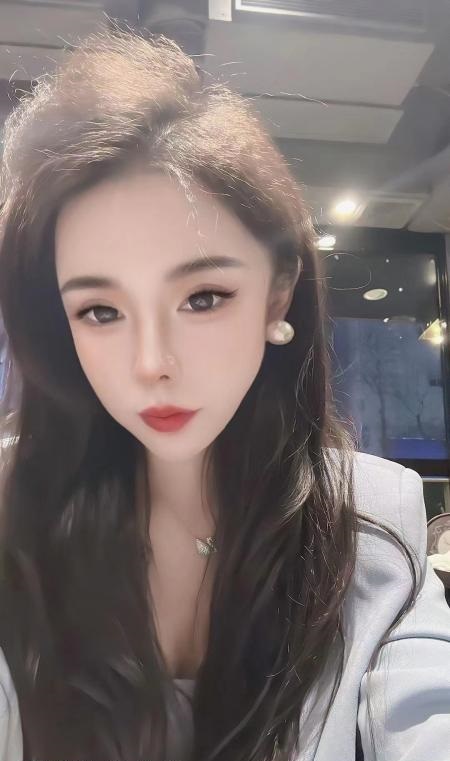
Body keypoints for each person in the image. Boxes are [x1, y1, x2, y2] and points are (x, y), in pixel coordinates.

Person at [0, 26, 448, 761]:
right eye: (101, 311)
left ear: (278, 294)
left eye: (203, 297)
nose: (152, 363)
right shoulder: (14, 509)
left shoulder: (370, 521)